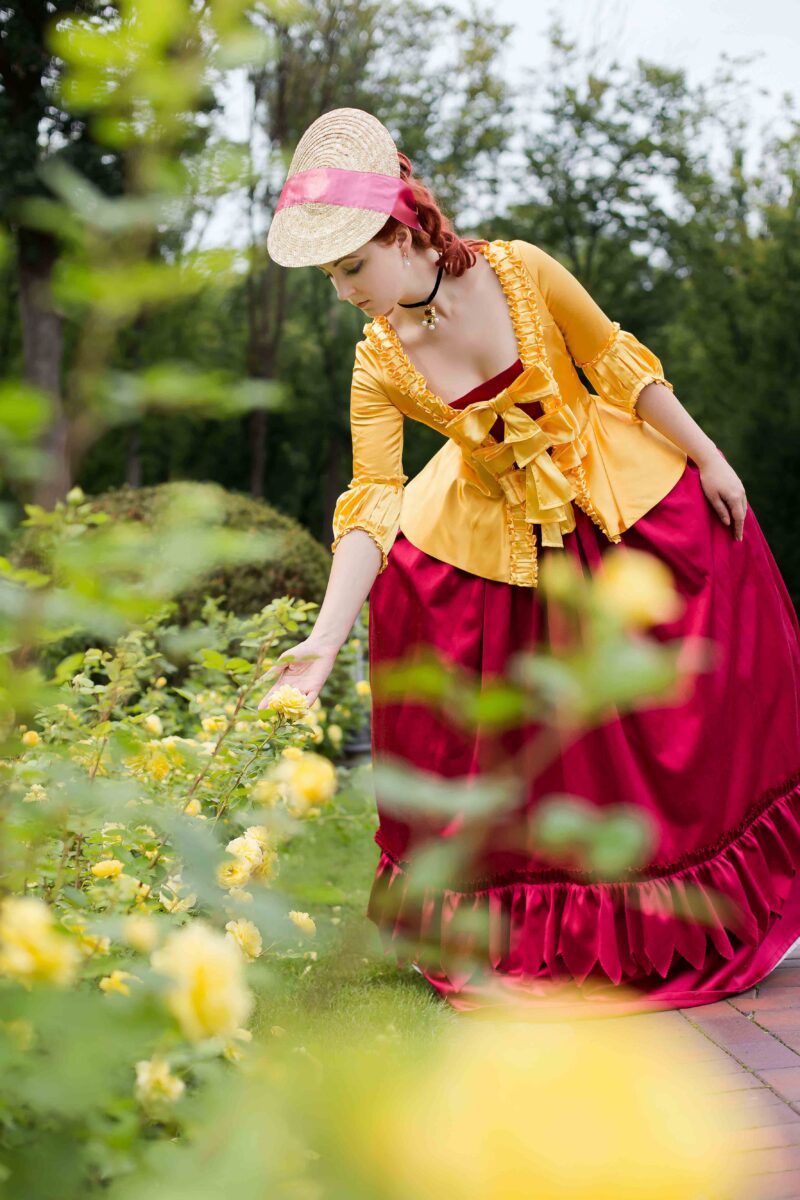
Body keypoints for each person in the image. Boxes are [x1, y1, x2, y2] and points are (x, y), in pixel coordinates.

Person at [261, 106, 800, 1017]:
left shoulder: (520, 270)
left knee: (670, 709)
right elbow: (374, 503)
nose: (345, 289)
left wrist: (710, 457)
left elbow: (617, 365)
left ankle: (693, 919)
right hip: (496, 548)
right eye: (330, 275)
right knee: (548, 753)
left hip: (615, 502)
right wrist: (321, 640)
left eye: (352, 265)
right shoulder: (377, 363)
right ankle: (563, 939)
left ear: (404, 227)